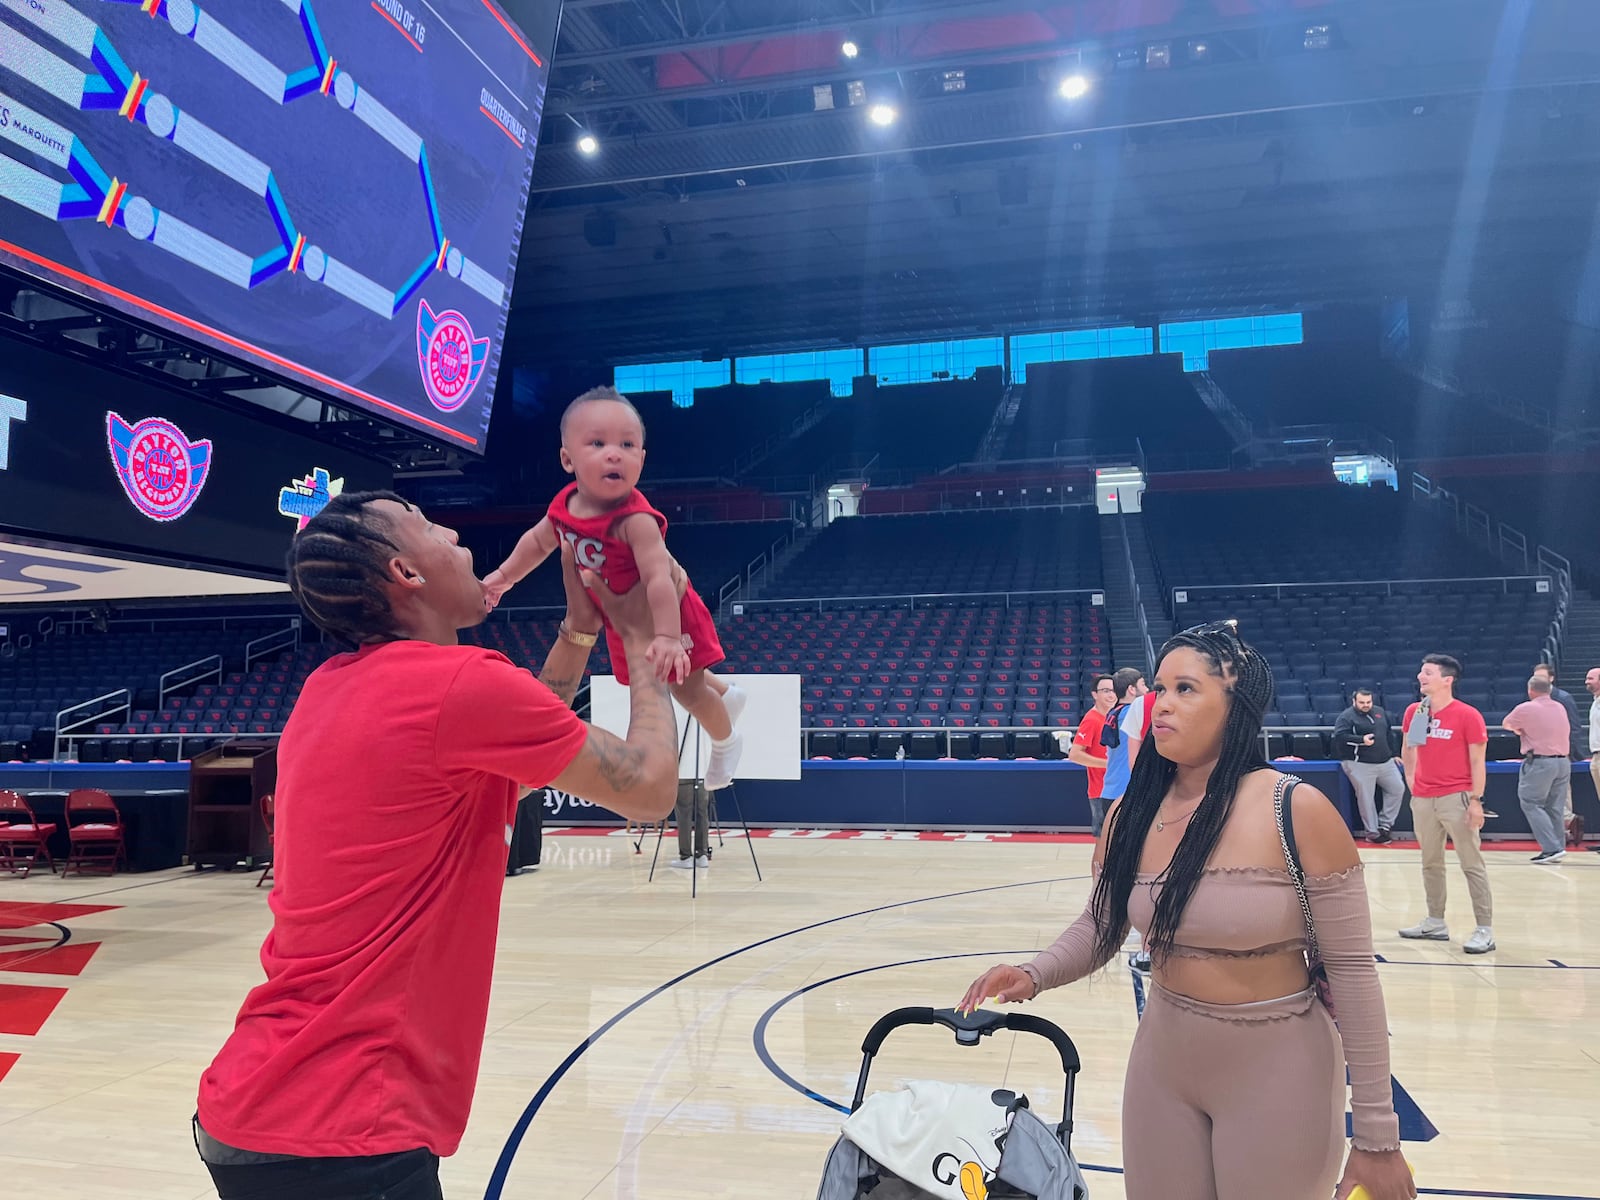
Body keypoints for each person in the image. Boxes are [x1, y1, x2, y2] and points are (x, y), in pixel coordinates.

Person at [195, 491, 681, 1200]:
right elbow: (650, 788)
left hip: (256, 1105)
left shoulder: (327, 691)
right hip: (346, 1125)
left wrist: (578, 634)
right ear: (406, 573)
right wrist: (641, 645)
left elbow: (504, 758)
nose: (454, 532)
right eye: (428, 526)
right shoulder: (461, 685)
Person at [958, 622, 1413, 1200]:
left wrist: (1377, 1135)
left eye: (1186, 689)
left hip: (1279, 1064)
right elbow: (1101, 925)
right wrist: (1034, 972)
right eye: (1161, 690)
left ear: (1236, 706)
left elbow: (1352, 973)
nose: (1162, 705)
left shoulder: (1297, 809)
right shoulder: (1129, 814)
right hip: (1163, 1061)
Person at [483, 387, 747, 790]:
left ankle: (727, 742)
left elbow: (659, 577)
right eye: (598, 442)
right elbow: (537, 542)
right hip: (622, 615)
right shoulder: (563, 505)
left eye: (627, 444)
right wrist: (504, 577)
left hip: (668, 613)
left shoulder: (635, 519)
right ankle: (726, 692)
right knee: (683, 681)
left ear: (641, 459)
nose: (614, 453)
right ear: (567, 459)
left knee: (687, 690)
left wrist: (668, 637)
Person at [1397, 654, 1494, 953]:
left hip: (1458, 796)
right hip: (1424, 799)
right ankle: (1435, 921)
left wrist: (1476, 800)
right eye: (1421, 672)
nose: (1420, 677)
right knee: (1430, 863)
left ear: (1447, 679)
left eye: (1427, 673)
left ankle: (1484, 929)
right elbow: (1409, 749)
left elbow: (1478, 762)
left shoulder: (1467, 715)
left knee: (1471, 863)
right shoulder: (1416, 711)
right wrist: (1413, 783)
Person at [1502, 674, 1572, 864]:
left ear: (1530, 690)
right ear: (1549, 690)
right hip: (1563, 762)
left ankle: (1551, 848)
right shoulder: (1560, 706)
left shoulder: (1526, 708)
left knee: (1531, 802)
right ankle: (1559, 847)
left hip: (1541, 762)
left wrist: (1520, 730)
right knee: (1555, 807)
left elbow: (1507, 723)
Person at [1332, 689, 1405, 843]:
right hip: (1359, 763)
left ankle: (1385, 825)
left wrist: (1394, 754)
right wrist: (1361, 740)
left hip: (1385, 762)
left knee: (1397, 788)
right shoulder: (1346, 717)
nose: (1366, 705)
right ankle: (1372, 833)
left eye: (1368, 702)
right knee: (1366, 798)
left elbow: (1388, 733)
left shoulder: (1380, 712)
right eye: (1362, 703)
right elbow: (1340, 737)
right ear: (1354, 701)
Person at [1061, 673, 1116, 835]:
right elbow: (1075, 755)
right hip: (1101, 791)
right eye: (1105, 690)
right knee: (1103, 839)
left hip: (1114, 788)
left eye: (1113, 690)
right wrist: (1107, 764)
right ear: (1095, 694)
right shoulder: (1091, 719)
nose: (1111, 694)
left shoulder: (1112, 717)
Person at [1531, 663, 1581, 760]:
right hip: (1541, 755)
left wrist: (1567, 752)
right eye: (1536, 677)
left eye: (1542, 677)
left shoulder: (1564, 698)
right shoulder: (1532, 698)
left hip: (1563, 755)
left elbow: (1574, 728)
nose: (1538, 680)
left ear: (1551, 678)